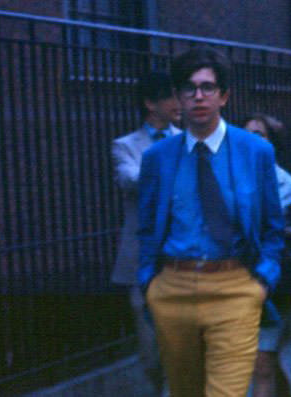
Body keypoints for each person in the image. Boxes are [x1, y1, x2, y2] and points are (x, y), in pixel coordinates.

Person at [138, 47, 285, 397]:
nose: (199, 96)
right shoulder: (157, 158)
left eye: (208, 87)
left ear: (224, 96)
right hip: (173, 287)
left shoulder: (255, 151)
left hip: (235, 287)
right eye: (189, 88)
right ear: (178, 97)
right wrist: (149, 283)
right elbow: (146, 227)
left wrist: (262, 279)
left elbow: (272, 226)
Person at [110, 71, 181, 396]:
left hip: (188, 259)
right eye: (170, 96)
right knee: (151, 349)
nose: (179, 102)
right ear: (150, 103)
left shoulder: (191, 140)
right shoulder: (126, 146)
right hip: (144, 265)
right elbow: (131, 181)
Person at [244, 113, 291, 397]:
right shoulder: (229, 180)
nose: (250, 139)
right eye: (246, 133)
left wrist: (285, 232)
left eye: (258, 134)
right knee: (265, 362)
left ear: (272, 143)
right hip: (238, 279)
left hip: (279, 281)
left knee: (263, 363)